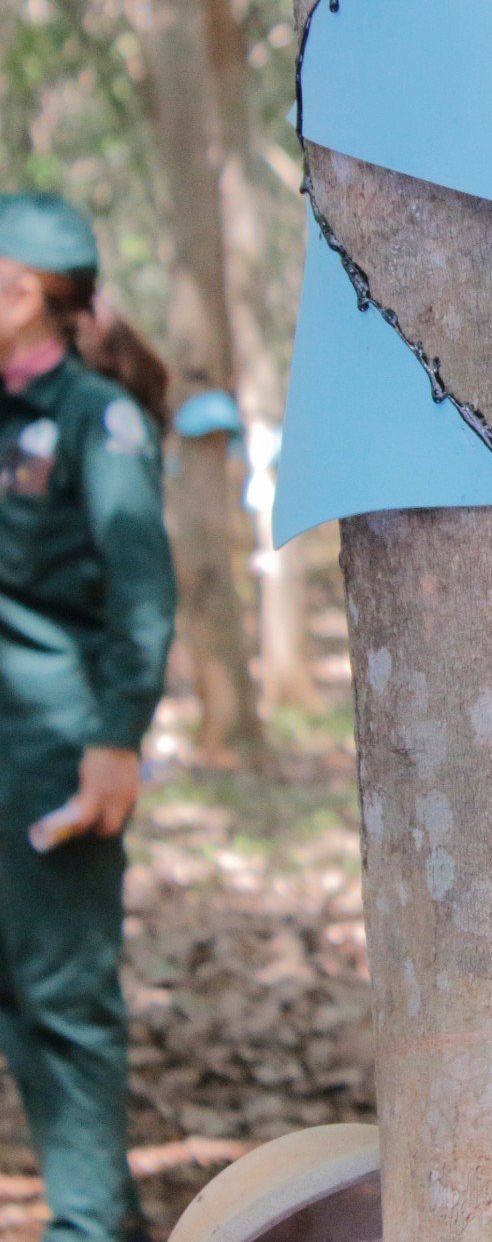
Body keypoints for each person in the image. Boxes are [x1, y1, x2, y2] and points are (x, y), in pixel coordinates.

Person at [0, 193, 178, 1242]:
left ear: (31, 294)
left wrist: (116, 743)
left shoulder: (93, 419)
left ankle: (91, 1229)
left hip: (55, 749)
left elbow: (142, 596)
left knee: (61, 997)